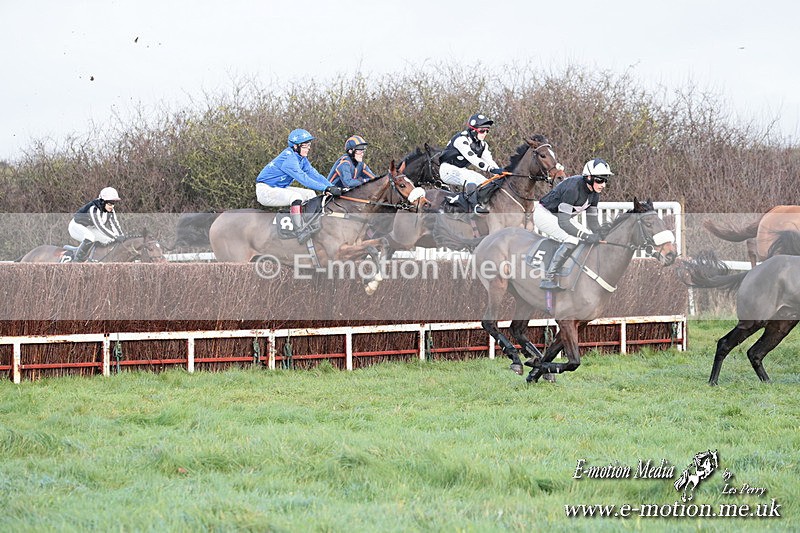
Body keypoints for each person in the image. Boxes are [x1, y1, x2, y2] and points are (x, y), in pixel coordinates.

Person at [534, 158, 614, 290]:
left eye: (605, 180)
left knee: (587, 235)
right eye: (600, 180)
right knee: (572, 239)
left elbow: (593, 222)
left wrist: (602, 234)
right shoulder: (573, 188)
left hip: (559, 217)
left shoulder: (595, 193)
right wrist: (585, 236)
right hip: (544, 214)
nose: (603, 185)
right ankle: (548, 277)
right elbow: (564, 223)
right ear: (589, 177)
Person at [256, 128, 342, 242]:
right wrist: (326, 188)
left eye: (309, 145)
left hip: (277, 187)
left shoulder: (301, 158)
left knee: (310, 194)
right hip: (265, 190)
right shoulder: (289, 160)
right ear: (296, 146)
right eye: (305, 145)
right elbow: (304, 180)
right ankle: (300, 231)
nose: (308, 148)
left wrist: (331, 186)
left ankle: (311, 224)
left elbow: (314, 175)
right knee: (295, 197)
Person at [439, 112, 504, 213]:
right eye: (482, 130)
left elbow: (489, 161)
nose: (485, 133)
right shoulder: (461, 140)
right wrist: (490, 169)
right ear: (473, 130)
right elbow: (472, 158)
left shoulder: (483, 145)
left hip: (462, 170)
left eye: (487, 130)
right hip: (447, 169)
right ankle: (474, 207)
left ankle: (485, 205)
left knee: (486, 183)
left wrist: (500, 173)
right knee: (470, 178)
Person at [68, 187, 125, 262]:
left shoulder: (111, 210)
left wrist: (122, 236)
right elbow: (100, 227)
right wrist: (116, 236)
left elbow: (114, 223)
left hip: (91, 228)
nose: (112, 206)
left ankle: (97, 258)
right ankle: (77, 261)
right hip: (76, 227)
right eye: (110, 203)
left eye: (113, 203)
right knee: (90, 237)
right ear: (102, 201)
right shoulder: (94, 209)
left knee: (109, 240)